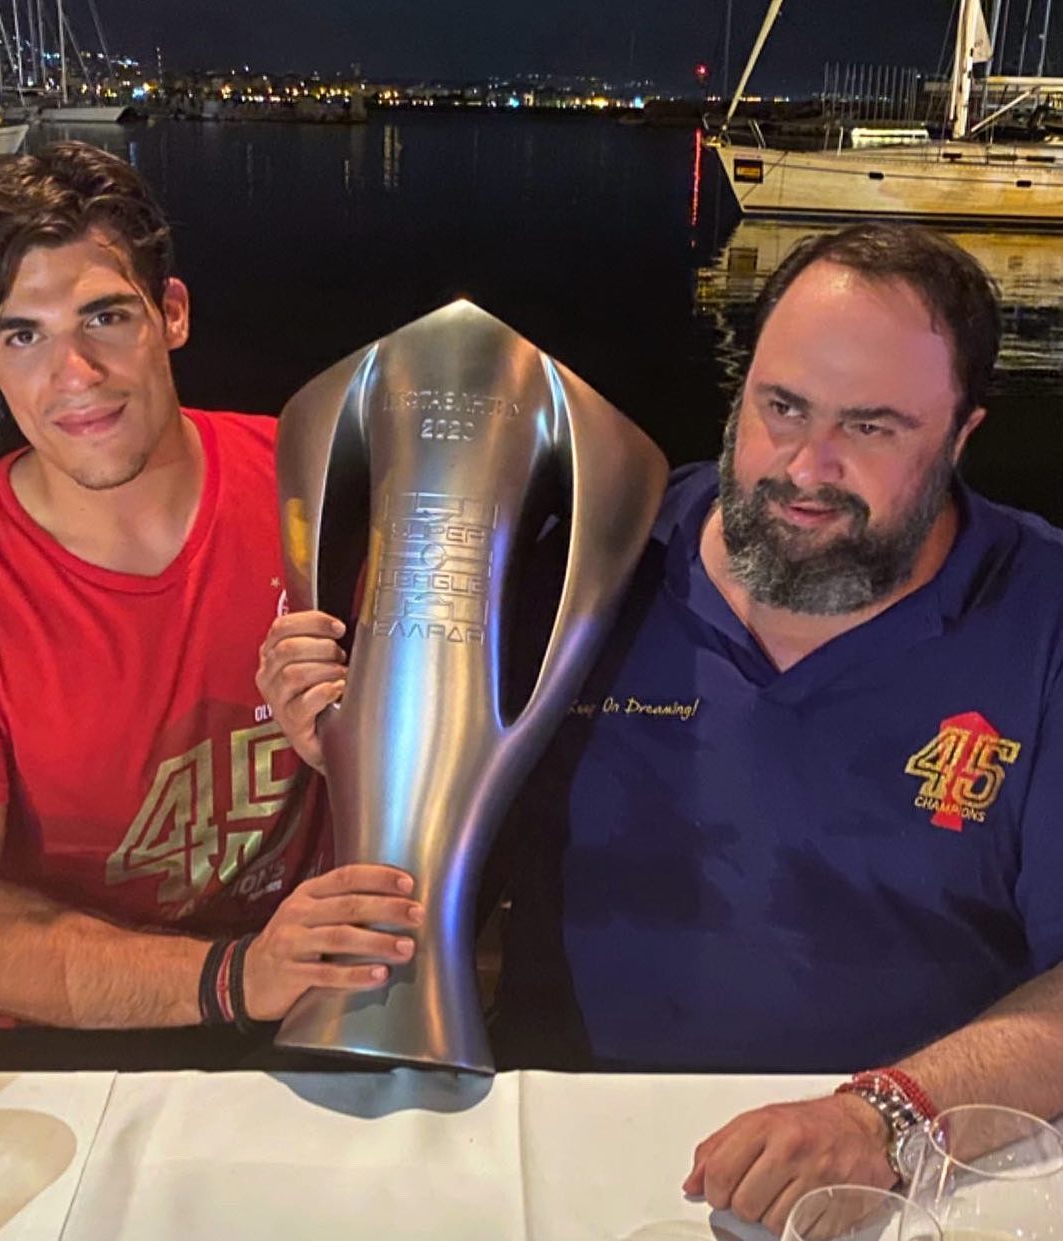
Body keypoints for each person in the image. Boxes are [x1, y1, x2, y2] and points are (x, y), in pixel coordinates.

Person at [257, 222, 1063, 1231]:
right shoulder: (584, 563)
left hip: (900, 1177)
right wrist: (356, 748)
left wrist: (886, 1115)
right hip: (561, 1147)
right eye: (780, 406)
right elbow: (445, 873)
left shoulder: (1039, 617)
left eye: (870, 427)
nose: (804, 467)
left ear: (959, 434)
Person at [0, 141, 420, 1059]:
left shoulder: (324, 494)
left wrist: (351, 753)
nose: (75, 374)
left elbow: (451, 768)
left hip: (313, 1004)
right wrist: (234, 976)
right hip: (46, 1040)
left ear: (170, 313)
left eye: (104, 317)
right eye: (23, 335)